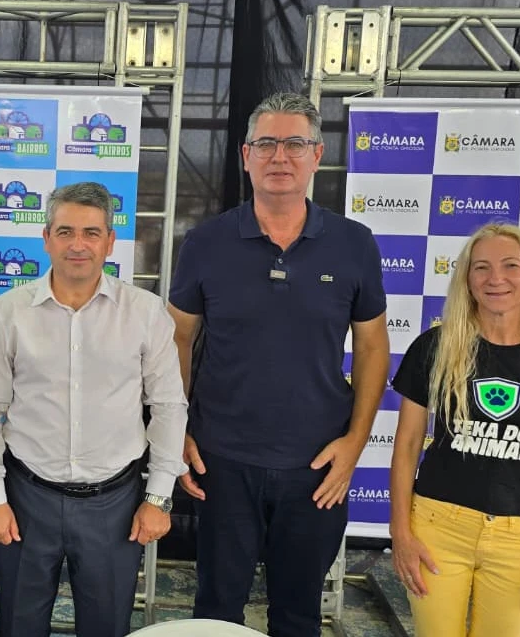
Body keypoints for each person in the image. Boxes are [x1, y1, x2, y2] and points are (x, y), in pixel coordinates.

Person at [168, 92, 391, 636]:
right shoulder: (205, 242)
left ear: (317, 156)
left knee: (297, 613)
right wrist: (175, 428)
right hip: (221, 461)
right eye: (266, 143)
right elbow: (174, 340)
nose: (280, 156)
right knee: (217, 607)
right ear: (245, 155)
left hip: (316, 468)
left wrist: (355, 443)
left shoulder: (354, 244)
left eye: (295, 143)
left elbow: (372, 349)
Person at [0, 181, 188, 637]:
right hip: (26, 500)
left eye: (90, 233)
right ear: (46, 238)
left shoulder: (145, 312)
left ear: (109, 241)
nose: (77, 245)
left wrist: (159, 497)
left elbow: (167, 406)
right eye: (65, 232)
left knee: (106, 627)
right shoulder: (8, 314)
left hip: (116, 504)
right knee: (18, 627)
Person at [389, 223, 520, 637]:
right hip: (437, 527)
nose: (495, 278)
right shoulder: (435, 346)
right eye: (481, 267)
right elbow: (408, 444)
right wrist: (400, 532)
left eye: (510, 266)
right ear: (466, 279)